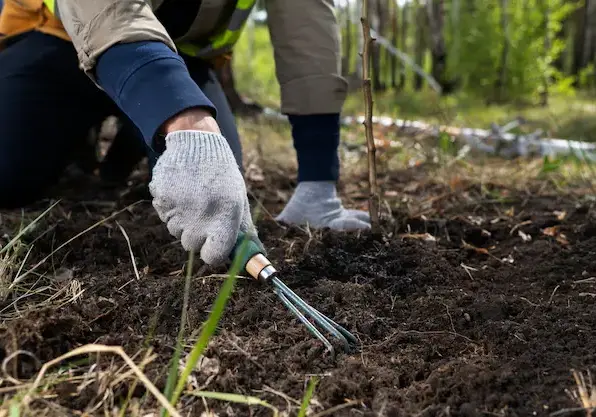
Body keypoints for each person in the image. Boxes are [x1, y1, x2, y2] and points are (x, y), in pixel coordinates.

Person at [0, 0, 371, 266]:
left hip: (182, 61)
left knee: (213, 207)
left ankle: (137, 130)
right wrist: (187, 122)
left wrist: (317, 182)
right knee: (10, 175)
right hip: (60, 37)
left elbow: (306, 30)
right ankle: (81, 139)